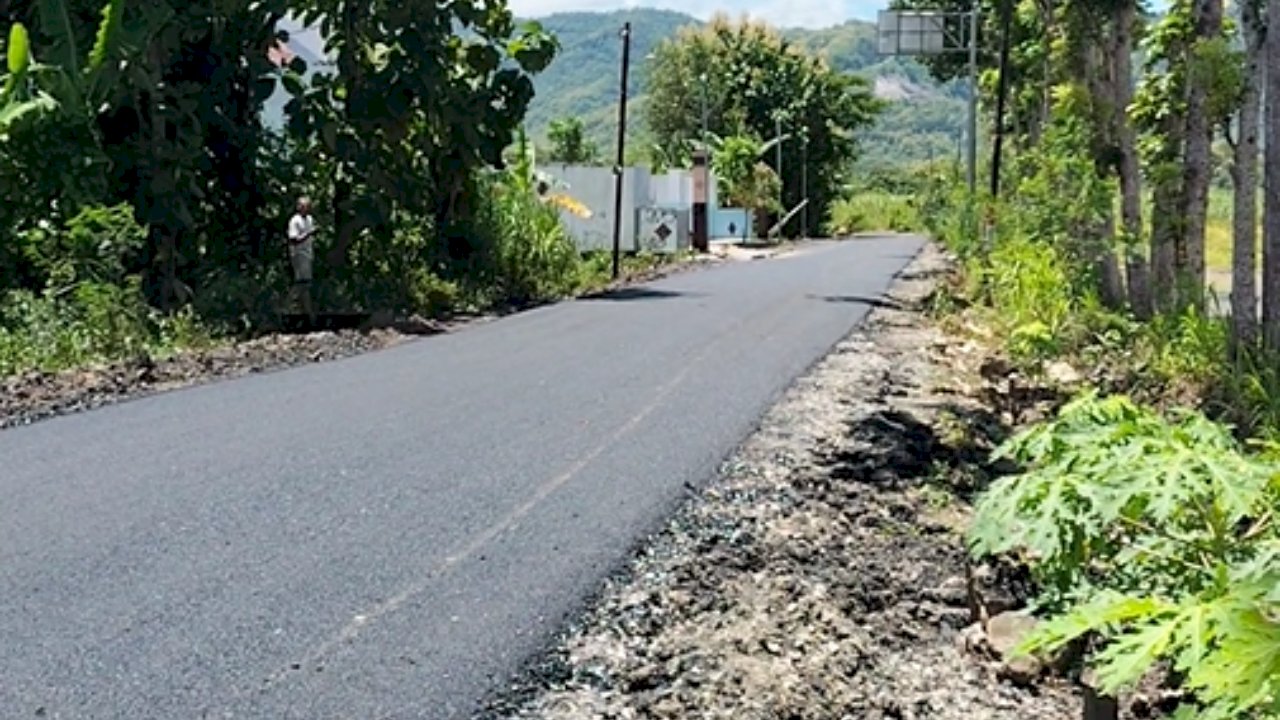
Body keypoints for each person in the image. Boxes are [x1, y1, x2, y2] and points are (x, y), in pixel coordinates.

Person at [287, 196, 317, 324]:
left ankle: (306, 312)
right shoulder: (295, 221)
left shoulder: (309, 219)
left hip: (308, 254)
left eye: (308, 206)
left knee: (306, 283)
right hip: (298, 254)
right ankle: (292, 307)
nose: (306, 209)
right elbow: (293, 239)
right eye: (303, 206)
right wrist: (309, 234)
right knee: (301, 283)